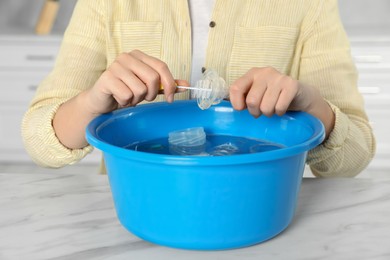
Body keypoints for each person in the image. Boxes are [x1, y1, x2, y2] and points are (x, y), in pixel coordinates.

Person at [21, 0, 375, 177]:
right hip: (137, 203)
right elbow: (40, 141)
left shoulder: (309, 6)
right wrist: (92, 102)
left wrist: (310, 103)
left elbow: (355, 156)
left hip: (259, 204)